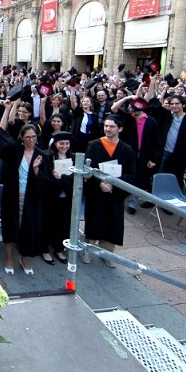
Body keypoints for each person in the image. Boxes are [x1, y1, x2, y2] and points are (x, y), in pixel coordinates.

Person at [0, 100, 50, 275]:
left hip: (32, 197)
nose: (31, 140)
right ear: (22, 138)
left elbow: (48, 182)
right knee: (10, 227)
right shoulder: (14, 150)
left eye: (34, 137)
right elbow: (1, 132)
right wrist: (7, 109)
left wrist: (36, 171)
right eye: (27, 137)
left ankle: (25, 258)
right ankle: (9, 258)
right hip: (13, 195)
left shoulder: (42, 156)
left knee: (29, 228)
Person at [82, 115, 136, 268]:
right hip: (96, 193)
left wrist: (113, 185)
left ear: (120, 129)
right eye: (106, 126)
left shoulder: (126, 150)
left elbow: (131, 174)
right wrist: (99, 183)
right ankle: (87, 250)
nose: (108, 129)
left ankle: (107, 253)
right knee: (94, 221)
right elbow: (88, 169)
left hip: (115, 194)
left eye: (112, 126)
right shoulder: (94, 145)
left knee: (113, 223)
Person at [42, 131, 74, 264]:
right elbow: (46, 177)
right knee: (49, 223)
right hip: (51, 197)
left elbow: (75, 179)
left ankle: (59, 249)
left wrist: (62, 178)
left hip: (67, 197)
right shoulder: (48, 157)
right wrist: (59, 180)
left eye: (67, 143)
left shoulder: (73, 158)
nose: (64, 146)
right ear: (55, 144)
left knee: (64, 224)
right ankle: (45, 250)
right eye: (61, 143)